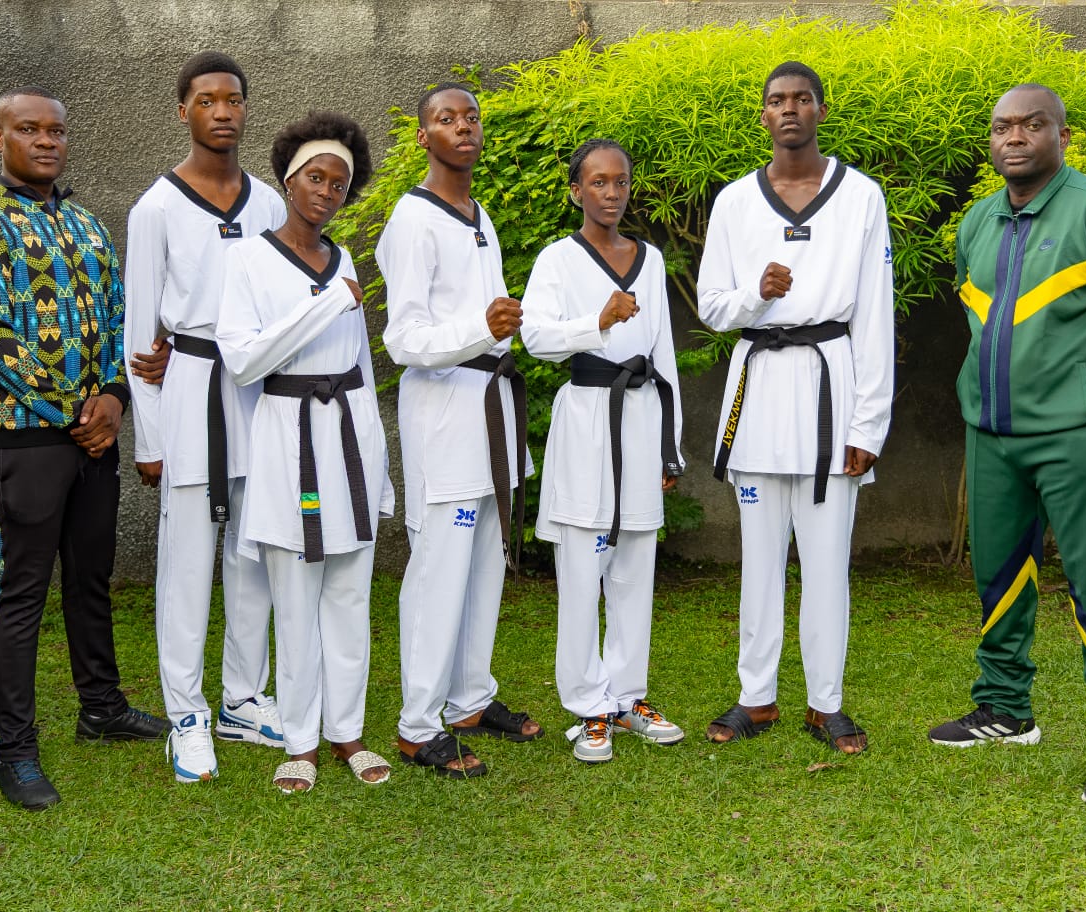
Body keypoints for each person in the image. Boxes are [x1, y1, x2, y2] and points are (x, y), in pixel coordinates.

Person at [928, 84, 1086, 806]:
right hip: (991, 435)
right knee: (999, 575)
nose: (1014, 136)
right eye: (1001, 126)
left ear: (1061, 136)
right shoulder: (976, 221)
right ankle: (1005, 712)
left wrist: (1084, 371)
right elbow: (976, 315)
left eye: (1030, 125)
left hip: (1076, 437)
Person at [0, 87, 169, 810]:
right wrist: (78, 413)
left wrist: (114, 398)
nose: (46, 141)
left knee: (91, 578)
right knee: (23, 592)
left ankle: (100, 709)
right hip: (24, 436)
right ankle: (15, 750)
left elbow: (115, 318)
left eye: (57, 131)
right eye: (29, 129)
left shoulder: (87, 224)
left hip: (94, 434)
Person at [697, 62, 895, 753]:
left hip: (829, 393)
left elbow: (873, 316)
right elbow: (713, 307)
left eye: (800, 99)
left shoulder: (860, 197)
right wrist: (757, 293)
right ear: (762, 115)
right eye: (775, 100)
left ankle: (825, 702)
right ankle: (756, 697)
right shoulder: (733, 202)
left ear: (820, 109)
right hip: (758, 395)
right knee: (757, 559)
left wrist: (868, 424)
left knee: (825, 564)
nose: (788, 110)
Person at [217, 111, 394, 793]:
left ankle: (346, 730)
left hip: (348, 439)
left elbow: (360, 367)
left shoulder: (343, 258)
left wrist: (378, 474)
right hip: (290, 442)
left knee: (349, 596)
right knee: (295, 595)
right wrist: (323, 306)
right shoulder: (249, 259)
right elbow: (242, 361)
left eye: (339, 183)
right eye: (315, 177)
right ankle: (299, 739)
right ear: (289, 181)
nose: (327, 191)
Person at [124, 51, 287, 785]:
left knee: (253, 557)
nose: (223, 111)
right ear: (182, 111)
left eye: (234, 100)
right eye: (207, 100)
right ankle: (185, 713)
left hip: (257, 395)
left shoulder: (270, 206)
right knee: (187, 566)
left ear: (246, 110)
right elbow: (139, 336)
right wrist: (151, 437)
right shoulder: (156, 207)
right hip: (188, 387)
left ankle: (243, 699)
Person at [377, 82, 542, 779]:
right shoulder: (412, 221)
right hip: (444, 410)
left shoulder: (475, 214)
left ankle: (469, 700)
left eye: (470, 116)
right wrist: (482, 328)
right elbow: (403, 338)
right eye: (445, 119)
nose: (462, 127)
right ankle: (418, 725)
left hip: (489, 404)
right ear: (423, 138)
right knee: (439, 571)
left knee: (483, 566)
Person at [521, 139, 686, 764]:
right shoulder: (558, 260)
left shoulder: (650, 259)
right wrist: (599, 322)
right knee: (582, 569)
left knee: (635, 566)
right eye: (597, 182)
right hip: (589, 417)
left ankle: (626, 695)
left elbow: (664, 351)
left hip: (643, 418)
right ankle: (589, 706)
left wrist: (672, 449)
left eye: (620, 181)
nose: (610, 192)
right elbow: (535, 338)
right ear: (576, 191)